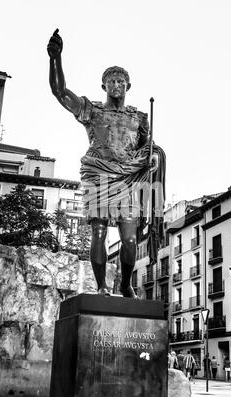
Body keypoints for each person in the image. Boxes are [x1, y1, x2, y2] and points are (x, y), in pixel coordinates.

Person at [47, 29, 166, 298]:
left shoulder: (139, 118)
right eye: (111, 81)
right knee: (98, 232)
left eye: (121, 81)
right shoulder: (92, 110)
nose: (116, 85)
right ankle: (101, 286)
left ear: (128, 86)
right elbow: (59, 91)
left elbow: (150, 150)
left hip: (127, 180)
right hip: (98, 176)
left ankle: (125, 284)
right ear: (104, 86)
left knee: (130, 238)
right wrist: (56, 59)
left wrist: (154, 159)